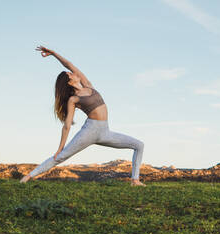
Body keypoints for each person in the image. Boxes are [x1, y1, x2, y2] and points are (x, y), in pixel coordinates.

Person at [20, 46, 145, 186]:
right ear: (69, 81)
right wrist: (60, 147)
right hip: (89, 131)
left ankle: (135, 180)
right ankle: (28, 177)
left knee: (139, 145)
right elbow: (67, 125)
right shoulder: (74, 99)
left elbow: (69, 64)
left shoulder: (88, 85)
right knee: (60, 157)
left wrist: (54, 54)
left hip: (105, 132)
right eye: (70, 73)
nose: (74, 72)